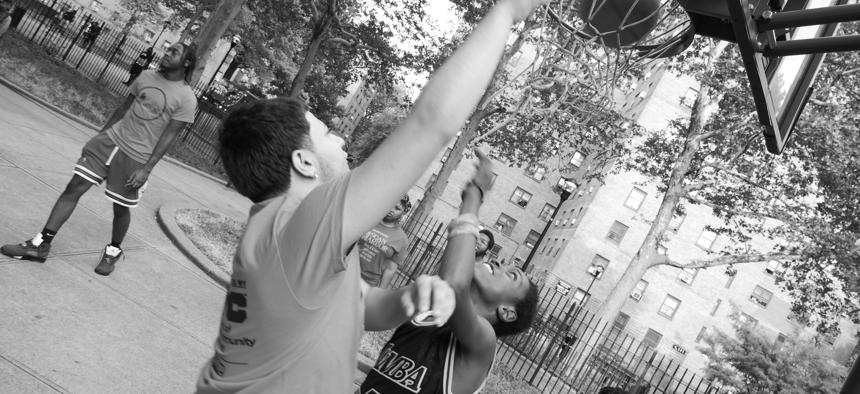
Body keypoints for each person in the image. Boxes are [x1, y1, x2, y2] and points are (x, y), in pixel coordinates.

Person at [194, 0, 547, 392]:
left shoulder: (274, 227)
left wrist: (409, 298)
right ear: (304, 163)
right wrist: (507, 12)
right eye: (326, 134)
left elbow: (360, 306)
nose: (341, 137)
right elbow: (431, 122)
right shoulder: (306, 218)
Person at [0, 43, 198, 276]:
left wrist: (147, 169)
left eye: (174, 52)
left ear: (186, 63)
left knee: (120, 208)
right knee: (74, 187)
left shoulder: (186, 99)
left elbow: (168, 137)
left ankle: (113, 250)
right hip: (109, 142)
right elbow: (123, 109)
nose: (166, 54)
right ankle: (40, 245)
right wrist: (100, 136)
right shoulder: (145, 76)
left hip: (136, 157)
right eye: (168, 50)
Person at [359, 150, 540, 394]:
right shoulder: (428, 311)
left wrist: (475, 194)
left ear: (507, 312)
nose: (499, 264)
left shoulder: (483, 341)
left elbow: (454, 285)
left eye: (512, 275)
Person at [359, 195, 411, 288]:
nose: (391, 210)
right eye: (391, 204)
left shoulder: (401, 239)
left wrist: (380, 291)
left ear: (403, 213)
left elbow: (391, 268)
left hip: (367, 283)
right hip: (347, 272)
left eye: (397, 208)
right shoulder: (368, 220)